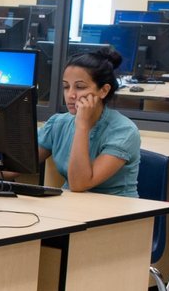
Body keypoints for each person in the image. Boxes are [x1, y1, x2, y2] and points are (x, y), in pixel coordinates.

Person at [36, 46, 140, 196]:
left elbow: (79, 184)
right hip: (72, 207)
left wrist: (82, 126)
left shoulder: (124, 131)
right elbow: (18, 166)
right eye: (66, 87)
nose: (70, 95)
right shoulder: (58, 123)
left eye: (80, 87)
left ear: (103, 90)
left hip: (116, 212)